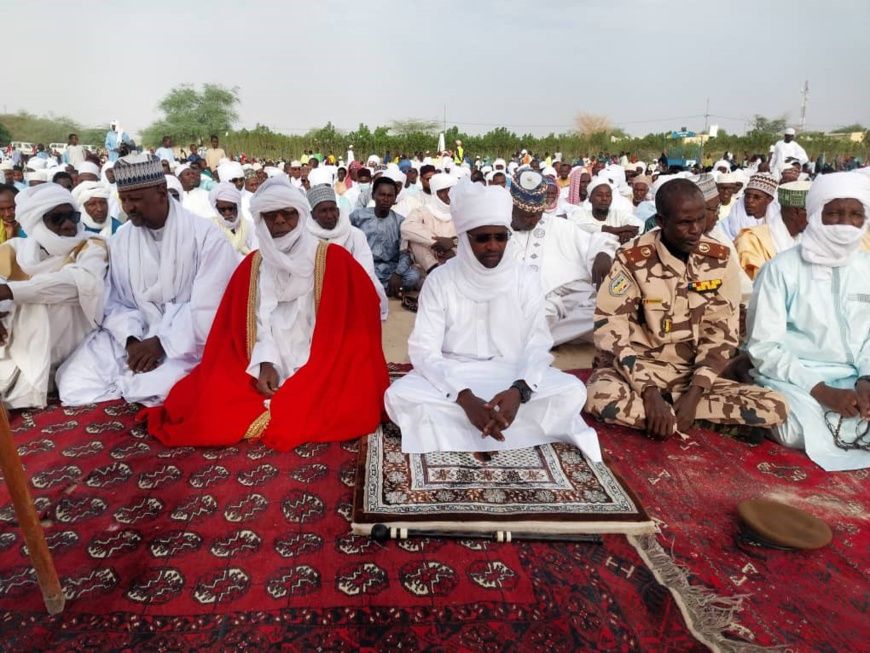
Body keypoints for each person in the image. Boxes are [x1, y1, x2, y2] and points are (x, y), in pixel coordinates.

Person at [142, 176, 388, 450]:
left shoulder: (335, 260)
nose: (280, 222)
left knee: (353, 404)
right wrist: (265, 362)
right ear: (260, 220)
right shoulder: (253, 265)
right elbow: (251, 325)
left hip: (323, 355)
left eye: (288, 214)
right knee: (204, 402)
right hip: (262, 356)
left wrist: (316, 363)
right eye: (270, 216)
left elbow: (360, 321)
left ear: (301, 215)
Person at [385, 177, 601, 459]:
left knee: (572, 391)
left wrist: (519, 391)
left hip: (512, 374)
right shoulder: (441, 280)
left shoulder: (525, 278)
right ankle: (499, 425)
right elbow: (425, 350)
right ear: (464, 238)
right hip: (452, 375)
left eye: (501, 237)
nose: (493, 246)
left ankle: (478, 425)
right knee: (398, 397)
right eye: (483, 238)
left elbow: (537, 343)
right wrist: (463, 398)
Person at [585, 178, 787, 442]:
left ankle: (674, 417)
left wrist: (695, 393)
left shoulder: (719, 259)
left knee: (776, 406)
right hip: (635, 374)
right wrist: (649, 392)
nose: (695, 230)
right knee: (599, 398)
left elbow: (721, 334)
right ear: (661, 221)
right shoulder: (632, 258)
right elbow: (611, 329)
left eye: (701, 219)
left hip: (690, 377)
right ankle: (695, 420)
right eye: (684, 223)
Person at [56, 153, 238, 407]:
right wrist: (131, 340)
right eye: (124, 199)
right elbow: (114, 300)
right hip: (135, 335)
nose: (129, 207)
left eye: (137, 199)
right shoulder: (121, 239)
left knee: (164, 388)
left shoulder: (206, 238)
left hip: (188, 342)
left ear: (162, 192)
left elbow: (212, 307)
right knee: (74, 380)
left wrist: (162, 343)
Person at [747, 172, 870, 471]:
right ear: (816, 214)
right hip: (797, 380)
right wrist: (821, 390)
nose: (844, 224)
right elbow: (764, 347)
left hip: (857, 379)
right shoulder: (781, 269)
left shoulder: (866, 267)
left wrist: (866, 379)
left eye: (855, 214)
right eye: (834, 213)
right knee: (793, 428)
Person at [0, 183, 108, 408]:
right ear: (37, 223)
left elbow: (76, 284)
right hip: (18, 341)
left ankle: (24, 384)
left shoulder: (91, 245)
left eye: (72, 216)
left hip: (71, 338)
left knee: (39, 303)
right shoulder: (16, 249)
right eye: (57, 219)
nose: (68, 225)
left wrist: (12, 291)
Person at [508, 170, 616, 345]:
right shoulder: (495, 233)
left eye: (538, 214)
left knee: (607, 308)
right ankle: (540, 336)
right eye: (528, 215)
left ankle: (540, 338)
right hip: (520, 308)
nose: (534, 220)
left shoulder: (558, 225)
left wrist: (602, 254)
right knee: (515, 322)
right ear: (512, 207)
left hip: (569, 303)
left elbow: (596, 240)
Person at [306, 183, 388, 320]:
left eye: (332, 210)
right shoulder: (305, 236)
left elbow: (365, 270)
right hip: (314, 290)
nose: (329, 215)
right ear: (313, 214)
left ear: (338, 211)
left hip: (351, 286)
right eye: (323, 211)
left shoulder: (355, 234)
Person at [350, 176, 420, 297]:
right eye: (382, 195)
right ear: (373, 196)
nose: (385, 199)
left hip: (390, 269)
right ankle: (385, 290)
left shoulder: (400, 222)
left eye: (390, 196)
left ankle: (378, 289)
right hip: (364, 266)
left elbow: (405, 253)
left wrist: (397, 274)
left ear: (395, 198)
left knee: (413, 276)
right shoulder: (358, 216)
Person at [734, 181, 811, 280]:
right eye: (813, 212)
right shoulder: (751, 240)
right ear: (795, 212)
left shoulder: (807, 240)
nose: (818, 219)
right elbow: (758, 286)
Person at [400, 173, 458, 279]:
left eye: (451, 190)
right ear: (435, 193)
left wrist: (452, 243)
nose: (448, 194)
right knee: (413, 239)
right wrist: (437, 243)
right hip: (430, 261)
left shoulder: (462, 211)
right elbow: (406, 227)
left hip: (454, 258)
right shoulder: (423, 211)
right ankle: (434, 271)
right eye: (442, 191)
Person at [567, 177, 642, 244]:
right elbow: (584, 226)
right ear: (590, 199)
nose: (604, 199)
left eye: (608, 195)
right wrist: (616, 230)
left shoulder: (618, 214)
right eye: (599, 195)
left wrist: (628, 233)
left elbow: (638, 224)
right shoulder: (581, 214)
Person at [720, 172, 780, 240]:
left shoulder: (778, 224)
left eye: (756, 197)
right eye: (747, 196)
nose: (749, 201)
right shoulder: (725, 224)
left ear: (769, 200)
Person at [208, 182, 257, 257]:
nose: (227, 213)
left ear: (237, 207)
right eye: (222, 209)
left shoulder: (250, 226)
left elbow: (256, 253)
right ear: (217, 210)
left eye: (231, 208)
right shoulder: (211, 228)